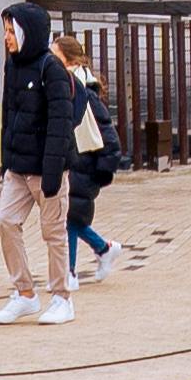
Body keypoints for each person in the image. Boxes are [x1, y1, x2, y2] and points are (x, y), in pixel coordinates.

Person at [0, 0, 79, 323]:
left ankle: (61, 298)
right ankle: (25, 293)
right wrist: (6, 160)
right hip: (18, 167)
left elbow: (61, 122)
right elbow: (8, 113)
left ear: (28, 32)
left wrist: (54, 172)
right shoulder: (12, 65)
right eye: (5, 31)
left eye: (11, 31)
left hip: (46, 168)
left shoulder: (51, 68)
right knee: (5, 222)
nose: (7, 37)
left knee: (53, 232)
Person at [55, 21, 122, 281]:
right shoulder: (67, 88)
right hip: (74, 164)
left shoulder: (83, 93)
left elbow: (108, 136)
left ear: (70, 62)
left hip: (85, 166)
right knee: (72, 218)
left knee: (68, 217)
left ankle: (69, 273)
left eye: (56, 57)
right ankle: (104, 249)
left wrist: (104, 169)